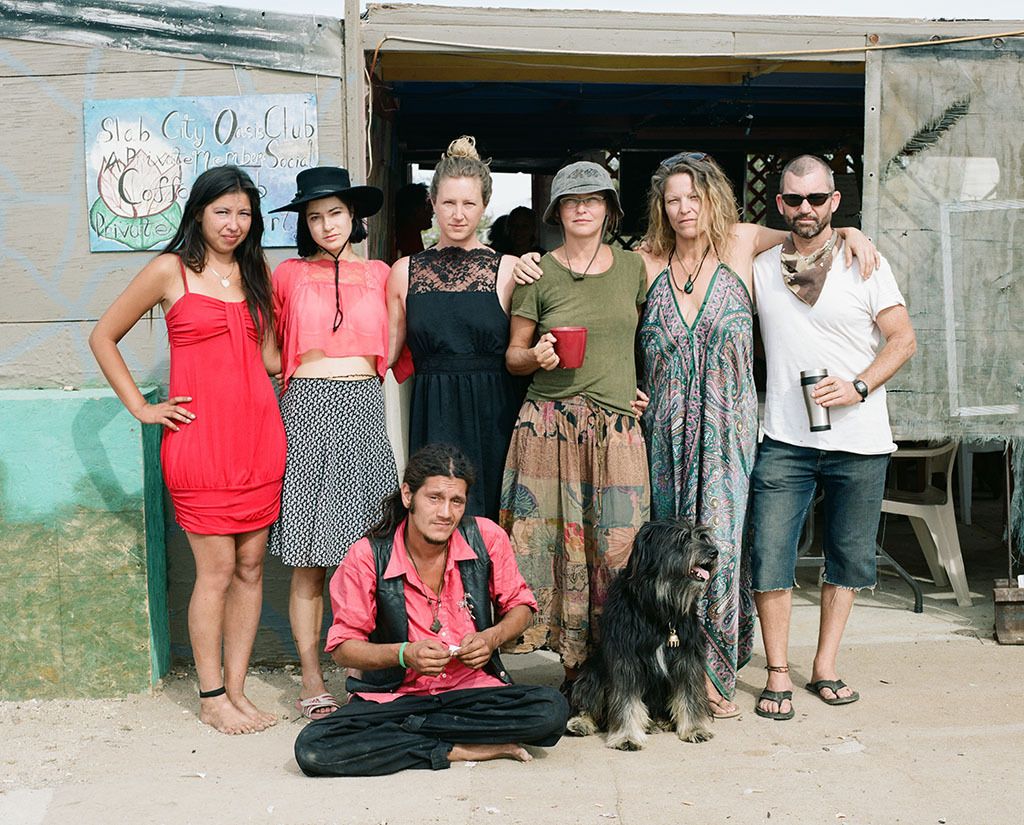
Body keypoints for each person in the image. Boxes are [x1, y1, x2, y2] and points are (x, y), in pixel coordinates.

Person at [515, 151, 879, 718]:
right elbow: (598, 307)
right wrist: (528, 263)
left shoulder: (741, 242)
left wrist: (852, 229)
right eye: (673, 199)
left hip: (728, 429)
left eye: (694, 197)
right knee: (661, 556)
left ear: (714, 199)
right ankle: (661, 671)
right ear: (661, 207)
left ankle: (712, 672)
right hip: (660, 430)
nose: (685, 209)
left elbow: (810, 229)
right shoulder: (642, 261)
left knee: (722, 549)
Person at [90, 166, 285, 735]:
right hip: (201, 442)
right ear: (198, 211)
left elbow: (270, 360)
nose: (234, 223)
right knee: (218, 569)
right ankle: (211, 695)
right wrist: (142, 408)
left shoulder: (255, 273)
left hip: (258, 438)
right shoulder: (167, 270)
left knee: (251, 566)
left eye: (245, 213)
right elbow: (103, 335)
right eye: (223, 211)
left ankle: (239, 691)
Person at [749, 154, 915, 720]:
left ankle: (824, 665)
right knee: (770, 555)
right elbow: (713, 232)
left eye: (817, 200)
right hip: (786, 437)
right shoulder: (763, 265)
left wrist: (859, 387)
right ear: (779, 203)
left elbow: (902, 340)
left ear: (834, 200)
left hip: (861, 439)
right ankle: (776, 670)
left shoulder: (865, 262)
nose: (806, 209)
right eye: (794, 199)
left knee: (846, 558)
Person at [293, 444, 569, 776]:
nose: (445, 513)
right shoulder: (367, 556)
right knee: (313, 748)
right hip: (395, 698)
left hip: (471, 693)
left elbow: (522, 606)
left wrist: (490, 638)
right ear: (408, 495)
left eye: (457, 501)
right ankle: (457, 748)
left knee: (551, 710)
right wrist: (404, 654)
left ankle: (413, 735)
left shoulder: (486, 537)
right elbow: (343, 649)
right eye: (434, 498)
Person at [501, 160, 650, 691]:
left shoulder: (635, 268)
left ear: (610, 210)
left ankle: (618, 667)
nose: (583, 207)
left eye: (594, 199)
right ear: (558, 211)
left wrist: (642, 385)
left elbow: (645, 340)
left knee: (618, 547)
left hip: (615, 431)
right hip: (548, 429)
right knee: (552, 551)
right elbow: (513, 356)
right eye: (572, 200)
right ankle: (570, 672)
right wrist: (536, 355)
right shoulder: (538, 273)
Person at [266, 166, 401, 721]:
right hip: (306, 411)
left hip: (364, 409)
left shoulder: (382, 273)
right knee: (310, 561)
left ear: (355, 217)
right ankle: (311, 674)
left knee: (369, 551)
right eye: (315, 216)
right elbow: (268, 349)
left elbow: (393, 347)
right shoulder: (288, 274)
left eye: (337, 213)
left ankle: (365, 669)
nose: (326, 225)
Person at [388, 136, 526, 520]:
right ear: (433, 204)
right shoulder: (404, 272)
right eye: (449, 203)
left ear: (484, 206)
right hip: (432, 411)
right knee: (436, 519)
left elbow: (531, 346)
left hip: (495, 412)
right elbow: (383, 356)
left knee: (491, 522)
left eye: (469, 203)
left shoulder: (512, 269)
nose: (459, 214)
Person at [394, 182, 433, 258]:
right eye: (427, 206)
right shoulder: (408, 243)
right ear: (415, 210)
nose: (432, 211)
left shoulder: (412, 239)